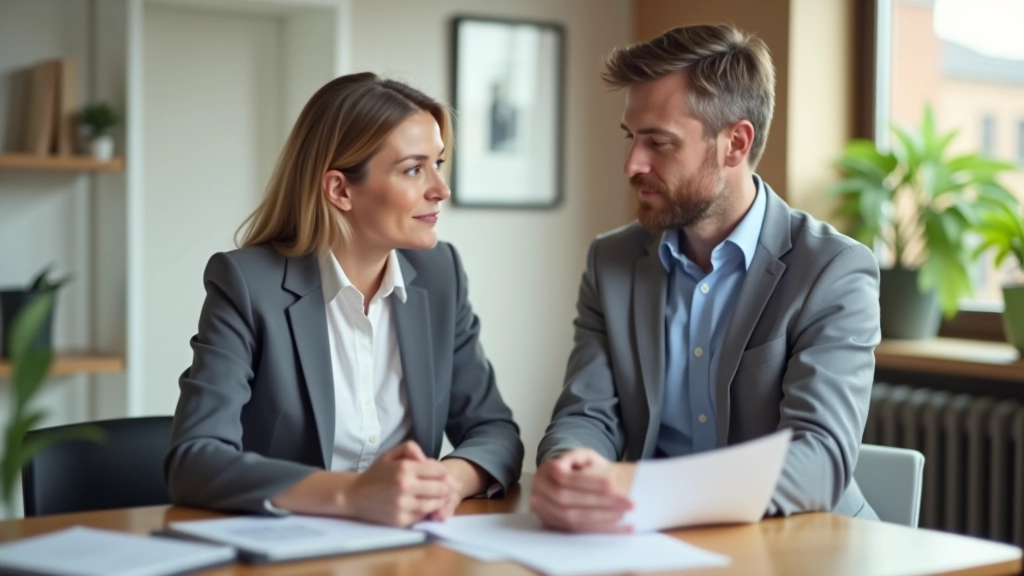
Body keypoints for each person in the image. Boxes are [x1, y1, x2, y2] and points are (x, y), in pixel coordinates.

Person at [531, 24, 881, 533]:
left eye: (659, 142)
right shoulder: (612, 261)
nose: (632, 163)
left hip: (798, 547)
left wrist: (643, 489)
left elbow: (819, 459)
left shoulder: (831, 270)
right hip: (647, 542)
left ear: (735, 144)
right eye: (631, 137)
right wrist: (568, 468)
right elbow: (588, 414)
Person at [165, 72, 523, 527]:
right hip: (287, 550)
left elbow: (495, 432)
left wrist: (448, 480)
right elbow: (194, 461)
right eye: (414, 169)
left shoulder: (441, 274)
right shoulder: (247, 284)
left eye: (439, 163)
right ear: (339, 190)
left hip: (407, 549)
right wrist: (355, 495)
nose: (441, 189)